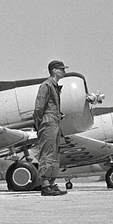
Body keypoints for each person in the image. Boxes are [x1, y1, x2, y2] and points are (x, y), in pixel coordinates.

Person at [33, 60, 68, 196]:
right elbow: (39, 108)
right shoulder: (46, 86)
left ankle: (52, 182)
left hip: (54, 122)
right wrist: (40, 124)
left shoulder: (54, 86)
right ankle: (45, 184)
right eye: (61, 69)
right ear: (54, 70)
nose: (64, 71)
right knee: (47, 153)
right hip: (48, 122)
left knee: (54, 154)